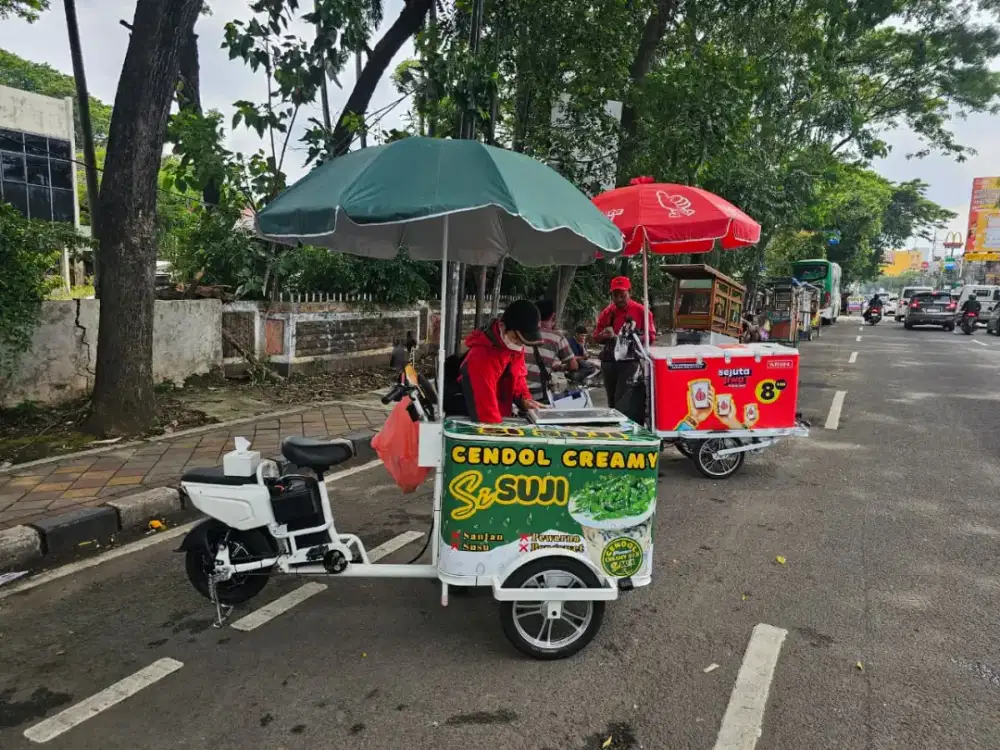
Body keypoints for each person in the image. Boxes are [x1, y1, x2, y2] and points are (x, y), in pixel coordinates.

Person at [458, 299, 546, 423]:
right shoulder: (482, 357)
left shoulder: (513, 348)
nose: (519, 345)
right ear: (502, 327)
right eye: (516, 338)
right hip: (476, 423)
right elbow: (486, 414)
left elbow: (518, 379)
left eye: (522, 342)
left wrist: (525, 400)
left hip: (501, 415)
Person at [592, 276, 656, 410]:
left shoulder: (641, 311)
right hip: (609, 361)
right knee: (611, 398)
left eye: (623, 295)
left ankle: (623, 423)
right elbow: (595, 337)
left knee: (622, 397)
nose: (619, 299)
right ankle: (614, 422)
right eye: (615, 295)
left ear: (630, 293)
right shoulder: (607, 312)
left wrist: (630, 338)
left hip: (629, 360)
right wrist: (603, 335)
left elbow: (651, 336)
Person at [524, 299, 578, 403]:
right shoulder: (557, 337)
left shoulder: (521, 334)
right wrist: (560, 366)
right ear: (553, 316)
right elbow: (573, 365)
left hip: (515, 393)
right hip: (538, 396)